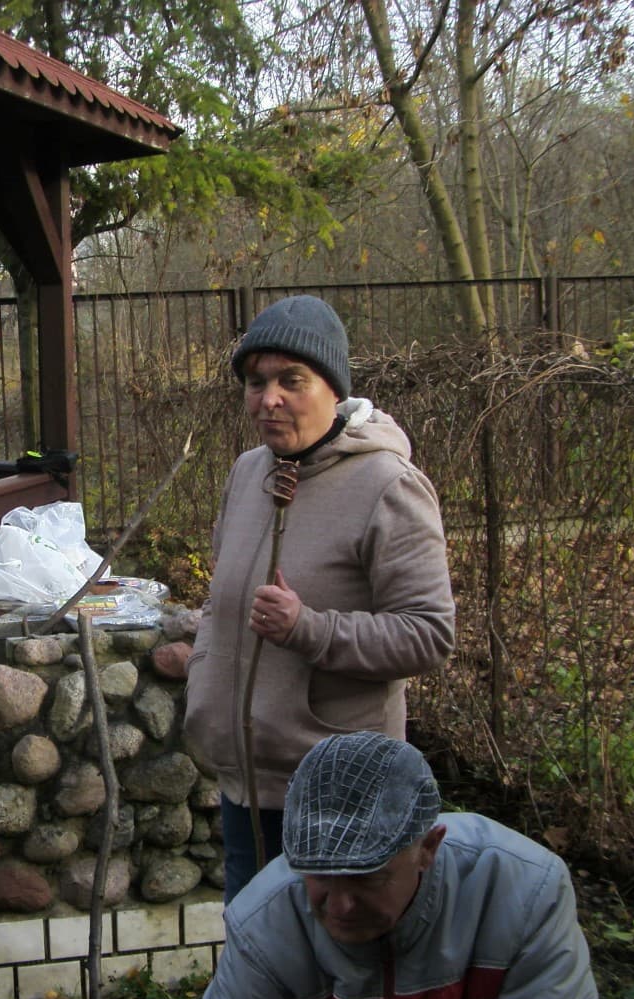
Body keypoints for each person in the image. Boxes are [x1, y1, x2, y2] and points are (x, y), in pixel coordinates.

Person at [184, 295, 455, 902]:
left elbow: (429, 634)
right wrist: (203, 674)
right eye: (256, 382)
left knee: (328, 948)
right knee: (253, 939)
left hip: (337, 791)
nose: (269, 399)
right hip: (245, 783)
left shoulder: (389, 486)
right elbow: (221, 601)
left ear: (334, 389)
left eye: (292, 380)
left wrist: (309, 629)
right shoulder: (247, 473)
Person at [193, 731, 599, 999]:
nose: (341, 906)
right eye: (319, 876)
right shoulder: (262, 923)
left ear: (428, 847)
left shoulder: (522, 892)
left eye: (367, 877)